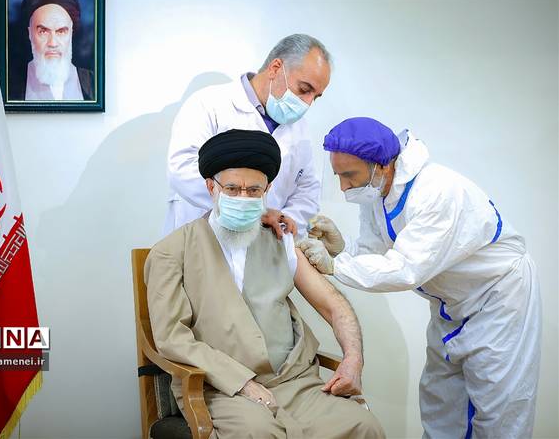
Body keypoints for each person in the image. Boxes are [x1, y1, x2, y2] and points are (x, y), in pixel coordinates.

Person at [297, 117, 541, 438]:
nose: (343, 187)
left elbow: (405, 268)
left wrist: (335, 266)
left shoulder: (437, 192)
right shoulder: (379, 193)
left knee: (499, 409)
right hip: (451, 304)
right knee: (441, 401)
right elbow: (376, 250)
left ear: (382, 166)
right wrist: (342, 249)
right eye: (338, 176)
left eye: (349, 176)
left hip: (498, 300)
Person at [146, 129, 385, 438]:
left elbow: (333, 305)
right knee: (259, 433)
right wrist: (242, 383)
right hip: (222, 388)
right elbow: (172, 337)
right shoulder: (170, 252)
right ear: (211, 186)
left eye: (254, 190)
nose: (243, 198)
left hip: (294, 383)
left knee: (364, 426)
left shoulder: (279, 238)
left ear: (267, 189)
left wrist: (353, 360)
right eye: (232, 188)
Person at [164, 34, 331, 239]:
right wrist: (254, 213)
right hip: (203, 237)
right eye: (304, 89)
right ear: (275, 68)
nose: (307, 103)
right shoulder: (208, 104)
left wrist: (282, 221)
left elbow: (307, 189)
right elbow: (182, 169)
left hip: (267, 244)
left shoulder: (300, 128)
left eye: (316, 96)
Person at [9, 0, 94, 101]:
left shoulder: (93, 83)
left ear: (71, 33)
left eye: (61, 31)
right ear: (29, 33)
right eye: (43, 31)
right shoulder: (10, 86)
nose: (53, 43)